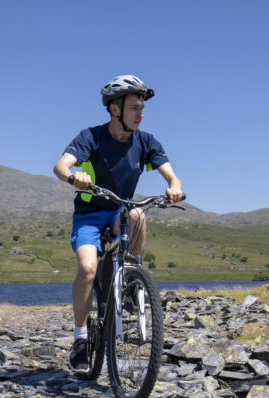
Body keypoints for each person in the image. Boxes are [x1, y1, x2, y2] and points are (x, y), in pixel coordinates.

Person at [53, 74, 183, 373]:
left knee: (137, 213)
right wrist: (75, 176)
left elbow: (170, 173)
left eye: (142, 107)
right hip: (89, 214)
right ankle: (81, 340)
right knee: (88, 269)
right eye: (134, 107)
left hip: (119, 213)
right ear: (115, 109)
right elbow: (60, 165)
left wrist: (174, 185)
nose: (140, 113)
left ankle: (129, 279)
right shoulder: (91, 137)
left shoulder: (146, 141)